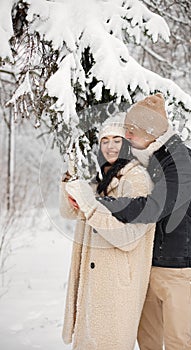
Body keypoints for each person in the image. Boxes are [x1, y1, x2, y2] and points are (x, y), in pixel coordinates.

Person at [72, 94, 191, 350]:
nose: (127, 137)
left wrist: (99, 204)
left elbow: (153, 207)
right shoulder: (151, 162)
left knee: (177, 342)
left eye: (132, 131)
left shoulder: (181, 162)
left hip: (176, 269)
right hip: (148, 266)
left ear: (151, 132)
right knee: (148, 342)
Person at [60, 114, 155, 350]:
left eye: (117, 140)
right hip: (94, 283)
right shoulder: (103, 179)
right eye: (105, 141)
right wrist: (68, 183)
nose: (110, 146)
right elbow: (69, 212)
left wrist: (89, 205)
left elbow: (128, 238)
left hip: (118, 284)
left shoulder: (137, 180)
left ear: (127, 145)